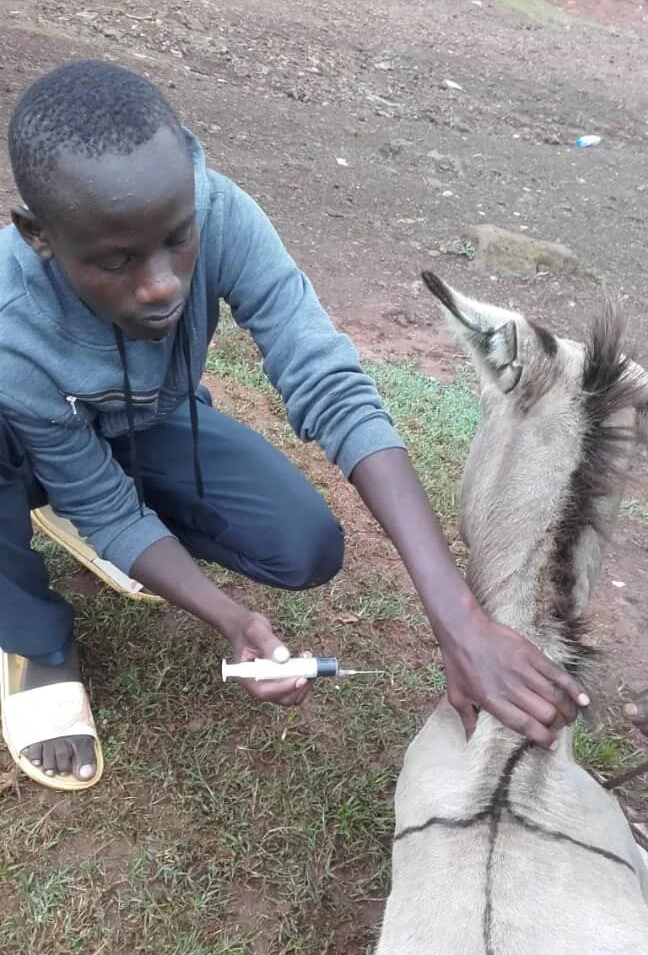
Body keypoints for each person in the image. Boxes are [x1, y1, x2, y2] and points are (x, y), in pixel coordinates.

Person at [0, 59, 588, 791]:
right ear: (39, 235)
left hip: (141, 421)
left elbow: (329, 383)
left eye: (177, 240)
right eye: (116, 261)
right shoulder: (12, 326)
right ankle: (34, 639)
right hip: (20, 432)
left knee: (302, 545)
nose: (161, 284)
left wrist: (460, 619)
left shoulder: (218, 211)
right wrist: (219, 610)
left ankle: (74, 499)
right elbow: (103, 503)